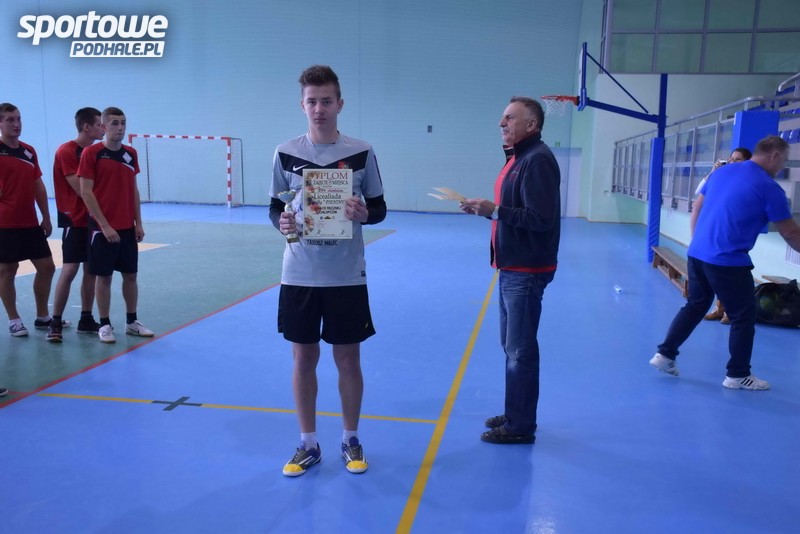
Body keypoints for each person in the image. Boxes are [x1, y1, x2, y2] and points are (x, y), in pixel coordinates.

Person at [269, 65, 386, 477]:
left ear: (340, 104)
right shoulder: (285, 152)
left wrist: (364, 213)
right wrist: (282, 222)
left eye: (326, 101)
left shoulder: (362, 152)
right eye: (312, 101)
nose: (319, 108)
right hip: (299, 273)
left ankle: (350, 438)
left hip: (346, 275)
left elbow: (379, 207)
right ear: (302, 105)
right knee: (303, 358)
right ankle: (308, 443)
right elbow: (275, 207)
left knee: (348, 359)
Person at [650, 135, 800, 390]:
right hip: (728, 260)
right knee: (743, 316)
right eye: (783, 160)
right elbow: (791, 232)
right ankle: (738, 375)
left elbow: (698, 207)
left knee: (696, 305)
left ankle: (665, 355)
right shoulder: (768, 187)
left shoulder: (722, 172)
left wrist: (699, 241)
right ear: (774, 155)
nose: (781, 166)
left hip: (698, 253)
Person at [460, 96, 561, 445]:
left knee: (520, 349)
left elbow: (541, 219)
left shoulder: (537, 160)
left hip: (527, 269)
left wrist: (495, 210)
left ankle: (520, 426)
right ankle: (516, 412)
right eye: (503, 118)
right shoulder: (519, 158)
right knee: (511, 346)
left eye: (509, 118)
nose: (501, 124)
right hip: (512, 266)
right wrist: (487, 210)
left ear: (531, 125)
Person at [78, 106, 154, 344]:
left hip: (127, 228)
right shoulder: (91, 153)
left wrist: (138, 222)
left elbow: (133, 190)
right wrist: (105, 226)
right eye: (114, 123)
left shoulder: (130, 154)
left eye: (123, 123)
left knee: (130, 276)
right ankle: (104, 324)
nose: (120, 128)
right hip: (101, 229)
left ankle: (132, 322)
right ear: (103, 126)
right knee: (104, 278)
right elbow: (86, 192)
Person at [46, 108, 105, 342]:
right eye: (100, 124)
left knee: (91, 270)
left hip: (94, 220)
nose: (104, 128)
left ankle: (86, 319)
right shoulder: (67, 151)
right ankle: (55, 321)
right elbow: (81, 190)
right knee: (70, 269)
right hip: (75, 219)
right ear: (86, 127)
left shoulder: (97, 152)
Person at [0, 103, 57, 337]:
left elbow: (38, 185)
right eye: (10, 120)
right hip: (4, 224)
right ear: (0, 124)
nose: (16, 124)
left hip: (30, 223)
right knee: (7, 270)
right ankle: (14, 320)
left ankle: (43, 316)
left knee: (47, 267)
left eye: (19, 119)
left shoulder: (28, 151)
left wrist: (46, 216)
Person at [696, 147, 753, 324]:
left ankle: (731, 310)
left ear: (746, 162)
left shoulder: (747, 179)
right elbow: (700, 192)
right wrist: (713, 172)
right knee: (719, 273)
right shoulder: (721, 176)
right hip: (719, 231)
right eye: (731, 159)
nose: (732, 162)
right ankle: (720, 308)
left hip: (736, 234)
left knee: (731, 274)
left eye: (737, 159)